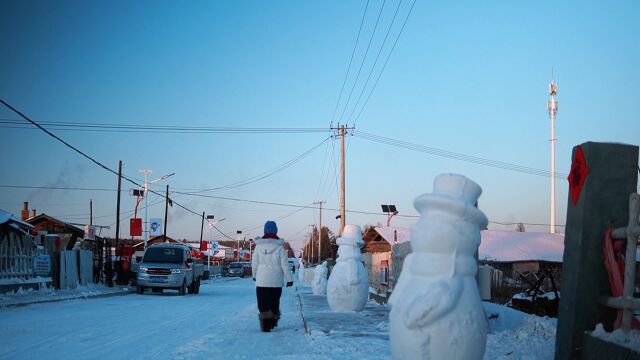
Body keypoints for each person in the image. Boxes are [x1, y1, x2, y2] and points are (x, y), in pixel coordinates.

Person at [252, 220, 293, 332]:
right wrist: (289, 279)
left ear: (264, 231)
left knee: (263, 303)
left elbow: (254, 262)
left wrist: (254, 275)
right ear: (276, 231)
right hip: (276, 281)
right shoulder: (280, 247)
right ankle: (273, 322)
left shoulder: (258, 246)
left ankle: (265, 325)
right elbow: (285, 264)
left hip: (262, 281)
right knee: (274, 302)